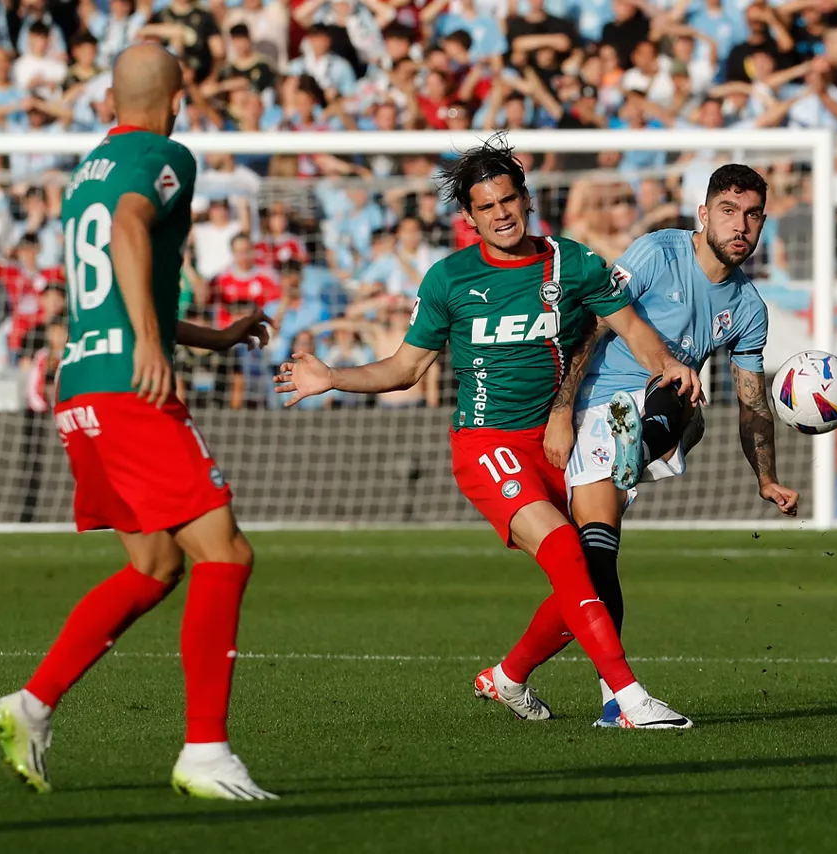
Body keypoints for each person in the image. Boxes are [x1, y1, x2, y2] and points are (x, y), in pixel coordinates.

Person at [276, 138, 701, 729]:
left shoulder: (573, 263)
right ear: (469, 217)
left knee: (586, 573)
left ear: (525, 199)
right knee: (565, 552)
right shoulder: (450, 279)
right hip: (488, 444)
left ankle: (506, 678)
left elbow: (631, 327)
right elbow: (405, 369)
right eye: (486, 207)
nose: (501, 214)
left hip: (564, 441)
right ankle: (629, 699)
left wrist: (668, 365)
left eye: (508, 199)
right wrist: (332, 377)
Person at [0, 44, 275, 802]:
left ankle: (32, 704)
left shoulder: (88, 168)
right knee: (226, 553)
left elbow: (116, 278)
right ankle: (206, 752)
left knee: (154, 565)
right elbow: (130, 229)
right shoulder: (165, 153)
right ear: (177, 98)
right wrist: (152, 343)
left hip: (80, 385)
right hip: (127, 388)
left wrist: (210, 337)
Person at [547, 164, 800, 728]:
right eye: (729, 212)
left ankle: (513, 676)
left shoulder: (749, 308)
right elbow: (591, 322)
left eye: (753, 214)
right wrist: (561, 412)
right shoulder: (656, 253)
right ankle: (619, 701)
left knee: (593, 560)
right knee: (596, 558)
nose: (741, 226)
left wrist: (766, 478)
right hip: (598, 409)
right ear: (704, 214)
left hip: (655, 420)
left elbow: (753, 401)